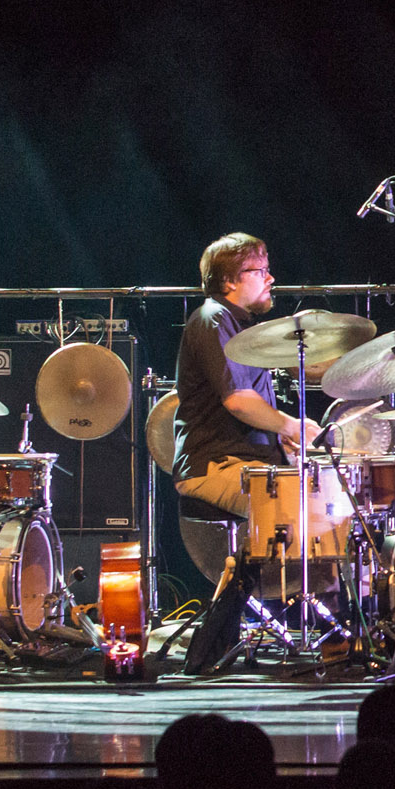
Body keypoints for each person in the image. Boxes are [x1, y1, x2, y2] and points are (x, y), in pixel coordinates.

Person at [171, 233, 319, 672]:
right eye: (261, 270)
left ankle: (221, 637)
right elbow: (237, 402)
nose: (271, 277)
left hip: (247, 462)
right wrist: (290, 424)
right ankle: (215, 639)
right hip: (214, 465)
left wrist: (282, 439)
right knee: (298, 507)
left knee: (319, 496)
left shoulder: (239, 327)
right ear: (232, 280)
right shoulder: (214, 319)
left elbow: (248, 411)